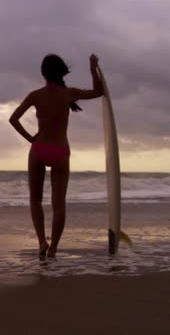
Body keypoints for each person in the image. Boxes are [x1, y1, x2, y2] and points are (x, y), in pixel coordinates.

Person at [9, 54, 103, 258]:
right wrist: (92, 67)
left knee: (35, 200)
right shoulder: (69, 93)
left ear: (43, 73)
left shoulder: (35, 95)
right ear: (62, 72)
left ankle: (42, 242)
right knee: (58, 204)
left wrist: (30, 138)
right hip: (60, 151)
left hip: (39, 149)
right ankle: (53, 250)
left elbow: (13, 119)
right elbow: (98, 91)